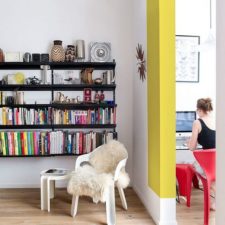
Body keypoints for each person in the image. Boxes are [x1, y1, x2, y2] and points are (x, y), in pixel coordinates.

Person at [187, 97, 216, 210]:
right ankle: (215, 202)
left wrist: (189, 141)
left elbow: (192, 147)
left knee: (192, 165)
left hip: (207, 163)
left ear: (199, 110)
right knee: (215, 177)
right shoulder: (218, 119)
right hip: (219, 160)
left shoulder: (197, 122)